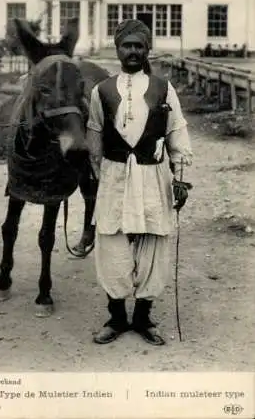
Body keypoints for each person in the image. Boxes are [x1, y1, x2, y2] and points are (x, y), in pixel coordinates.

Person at [86, 19, 193, 345]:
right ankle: (117, 317)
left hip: (152, 176)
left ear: (147, 48)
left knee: (153, 242)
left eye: (138, 45)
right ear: (117, 49)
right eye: (126, 45)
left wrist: (179, 176)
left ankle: (144, 317)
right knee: (112, 242)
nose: (132, 51)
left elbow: (176, 130)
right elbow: (94, 137)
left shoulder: (164, 88)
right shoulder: (101, 91)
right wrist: (98, 177)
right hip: (116, 176)